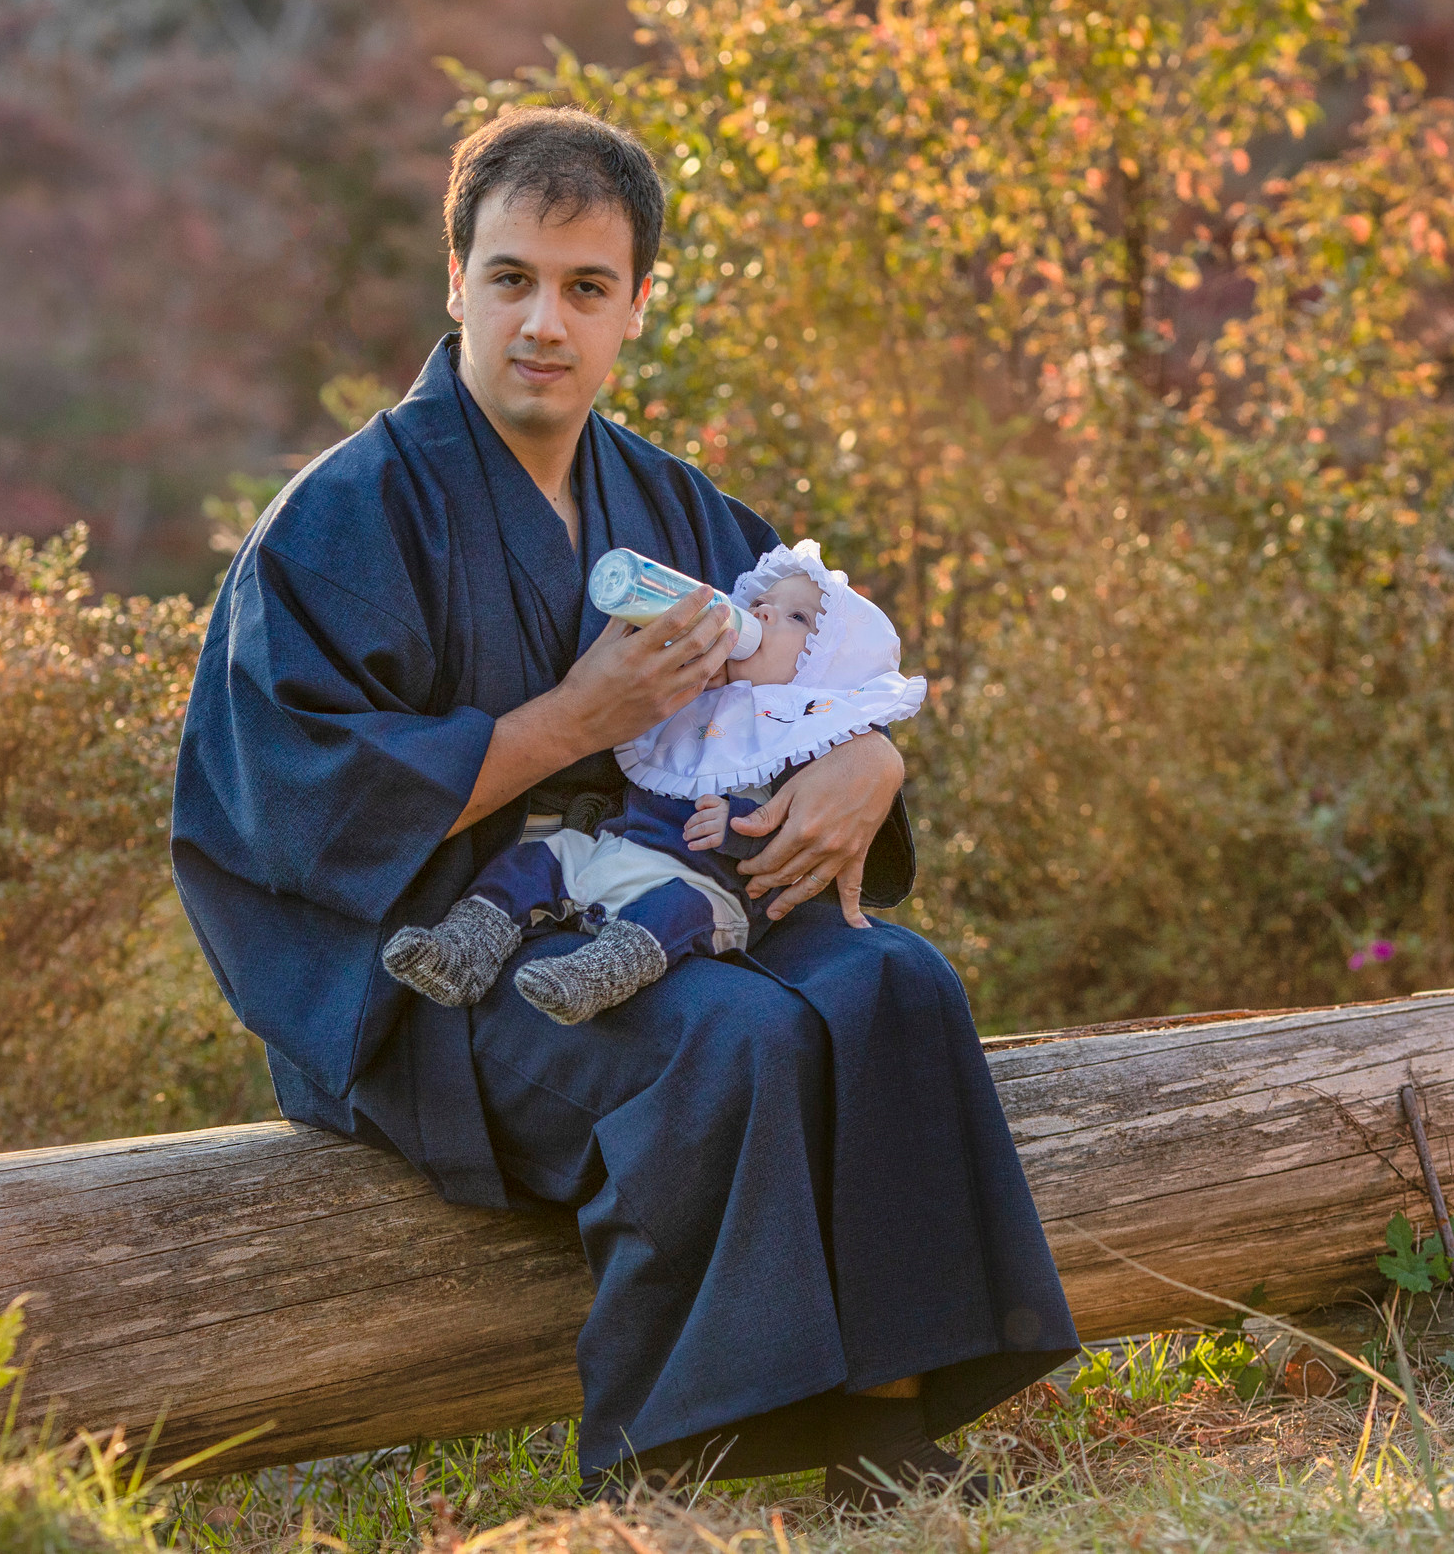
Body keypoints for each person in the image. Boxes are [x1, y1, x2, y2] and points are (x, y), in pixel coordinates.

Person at [170, 105, 1076, 1509]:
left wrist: (870, 764)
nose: (546, 322)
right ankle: (681, 1462)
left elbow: (819, 672)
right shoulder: (344, 519)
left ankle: (888, 1430)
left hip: (672, 892)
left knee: (897, 980)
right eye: (513, 278)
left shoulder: (667, 499)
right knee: (722, 1037)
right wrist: (572, 722)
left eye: (587, 287)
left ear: (639, 304)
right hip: (437, 967)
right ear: (454, 279)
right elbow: (294, 805)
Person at [382, 539, 926, 1026]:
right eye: (766, 601)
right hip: (617, 846)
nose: (761, 611)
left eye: (798, 618)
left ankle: (591, 977)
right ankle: (462, 948)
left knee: (676, 913)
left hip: (704, 886)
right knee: (535, 861)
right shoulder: (702, 694)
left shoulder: (799, 736)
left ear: (827, 670)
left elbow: (790, 833)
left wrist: (745, 824)